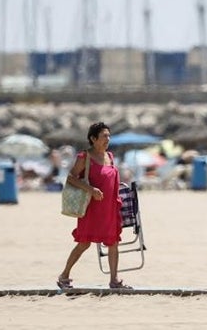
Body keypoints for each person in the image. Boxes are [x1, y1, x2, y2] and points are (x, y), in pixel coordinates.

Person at [57, 122, 130, 289]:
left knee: (113, 243)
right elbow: (71, 178)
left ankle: (114, 280)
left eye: (109, 136)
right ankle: (64, 275)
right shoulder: (85, 157)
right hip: (91, 209)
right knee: (84, 243)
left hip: (109, 208)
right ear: (93, 138)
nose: (108, 139)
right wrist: (91, 189)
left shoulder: (109, 156)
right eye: (104, 136)